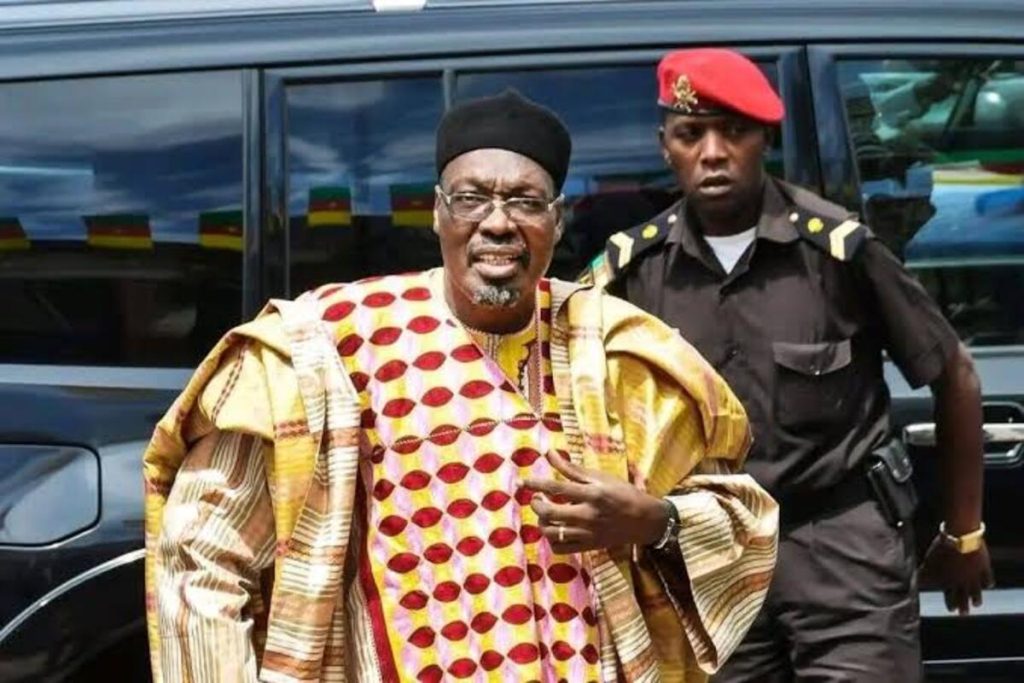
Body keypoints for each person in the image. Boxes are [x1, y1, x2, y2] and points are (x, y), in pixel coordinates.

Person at [144, 89, 778, 683]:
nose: (497, 223)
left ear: (557, 223)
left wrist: (653, 521)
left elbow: (744, 523)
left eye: (526, 202)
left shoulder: (621, 353)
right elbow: (201, 559)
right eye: (472, 199)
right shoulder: (325, 351)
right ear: (438, 214)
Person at [583, 49, 993, 683]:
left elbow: (955, 376)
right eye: (692, 134)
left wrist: (963, 531)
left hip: (843, 550)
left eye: (734, 132)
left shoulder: (838, 250)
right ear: (666, 146)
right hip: (710, 556)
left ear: (764, 140)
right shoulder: (632, 272)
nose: (713, 152)